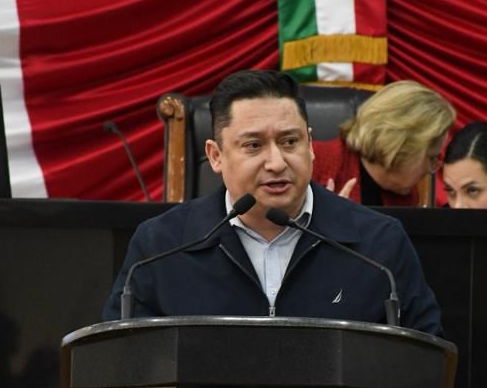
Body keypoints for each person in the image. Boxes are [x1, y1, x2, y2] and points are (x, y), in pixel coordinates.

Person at [102, 69, 442, 336]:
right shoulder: (161, 246)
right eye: (253, 146)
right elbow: (120, 367)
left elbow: (426, 362)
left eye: (290, 141)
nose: (277, 162)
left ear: (310, 145)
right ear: (216, 156)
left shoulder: (378, 244)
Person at [312, 80, 456, 206]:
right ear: (402, 147)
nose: (431, 170)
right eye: (432, 158)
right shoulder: (313, 164)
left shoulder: (406, 197)